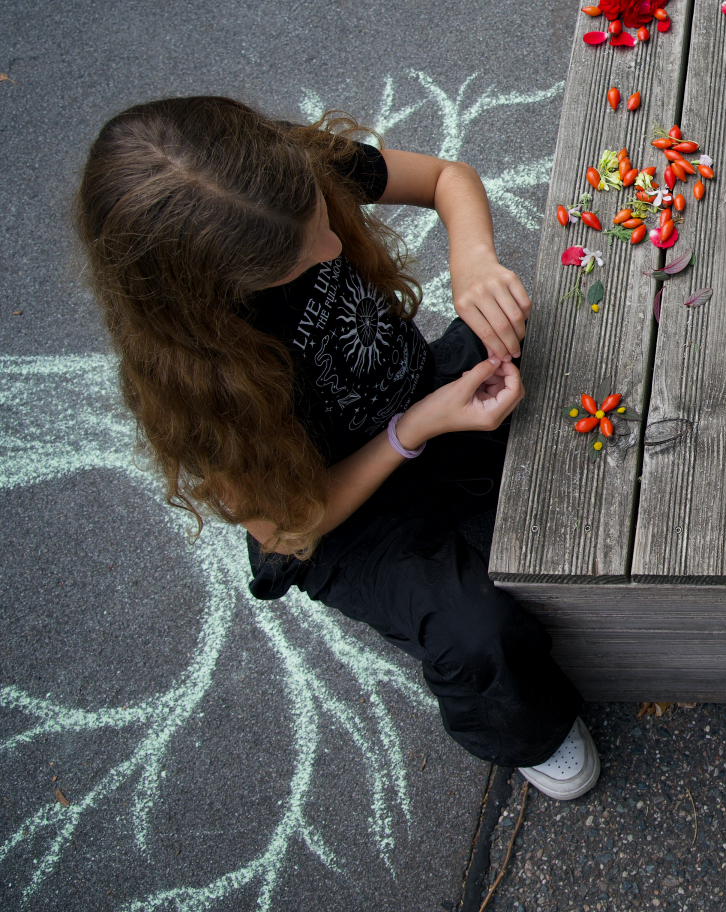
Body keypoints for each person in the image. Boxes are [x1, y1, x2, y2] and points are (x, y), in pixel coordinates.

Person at [74, 97, 597, 800]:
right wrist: (415, 429)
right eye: (298, 258)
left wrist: (472, 262)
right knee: (478, 637)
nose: (330, 247)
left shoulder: (278, 174)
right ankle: (531, 733)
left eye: (322, 217)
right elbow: (289, 527)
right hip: (344, 518)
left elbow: (447, 178)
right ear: (215, 294)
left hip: (423, 396)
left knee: (540, 329)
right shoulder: (193, 383)